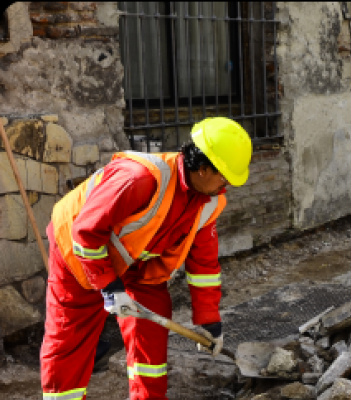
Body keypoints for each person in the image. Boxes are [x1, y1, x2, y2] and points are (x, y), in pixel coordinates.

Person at [40, 117, 252, 400]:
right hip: (78, 252)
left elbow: (204, 266)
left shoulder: (208, 201)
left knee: (151, 328)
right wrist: (110, 286)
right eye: (223, 175)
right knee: (70, 340)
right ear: (203, 170)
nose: (225, 184)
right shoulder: (140, 179)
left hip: (139, 264)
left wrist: (209, 321)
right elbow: (86, 233)